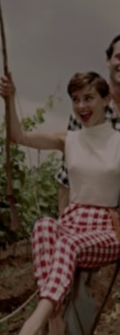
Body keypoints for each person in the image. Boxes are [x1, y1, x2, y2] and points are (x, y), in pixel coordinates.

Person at [0, 71, 120, 335]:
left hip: (106, 227)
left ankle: (34, 327)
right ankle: (56, 325)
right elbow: (18, 136)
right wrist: (11, 98)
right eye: (76, 99)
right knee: (43, 227)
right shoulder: (69, 139)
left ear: (107, 100)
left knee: (66, 244)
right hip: (73, 218)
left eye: (89, 97)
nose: (81, 106)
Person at [56, 35, 120, 213]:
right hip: (92, 219)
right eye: (119, 57)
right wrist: (63, 224)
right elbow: (67, 176)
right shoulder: (86, 111)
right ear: (108, 61)